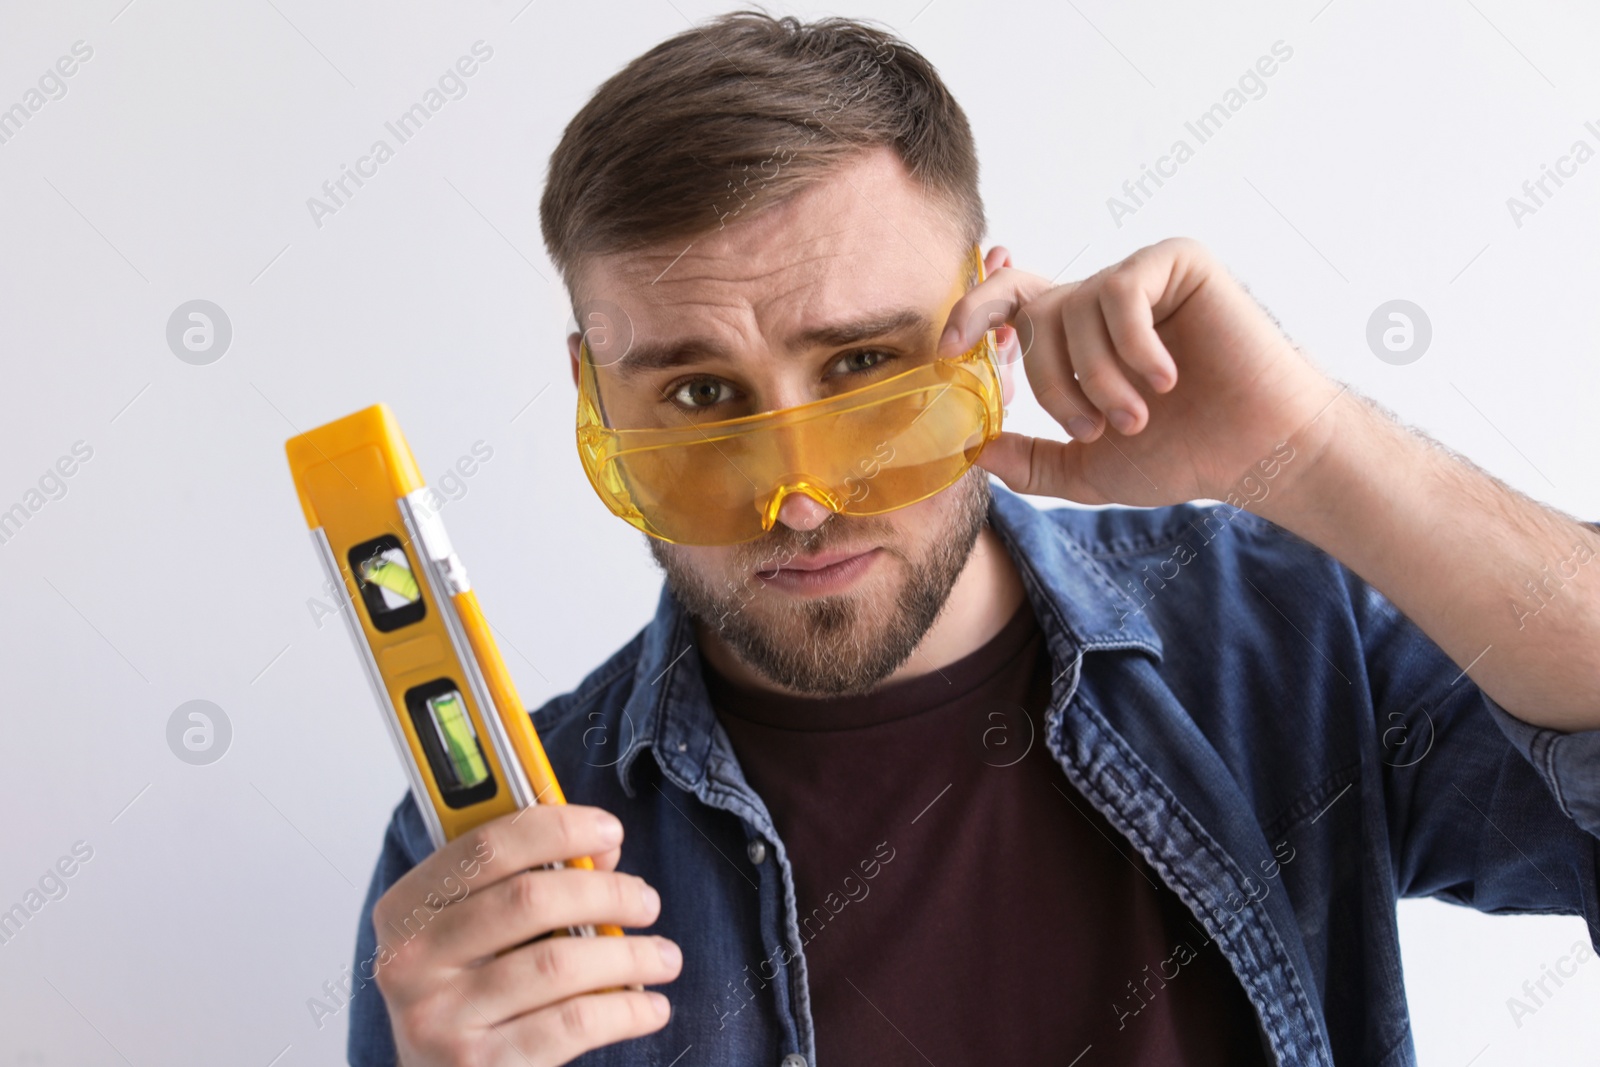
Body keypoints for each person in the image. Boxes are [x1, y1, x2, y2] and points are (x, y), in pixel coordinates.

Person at [346, 11, 1600, 1066]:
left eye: (862, 366)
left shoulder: (1279, 636)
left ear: (992, 330)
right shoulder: (500, 850)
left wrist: (1310, 446)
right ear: (593, 395)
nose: (799, 500)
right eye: (701, 397)